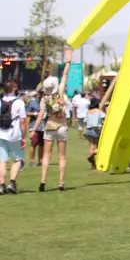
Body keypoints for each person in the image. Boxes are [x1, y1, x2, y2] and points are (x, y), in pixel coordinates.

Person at [33, 48, 75, 192]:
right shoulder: (60, 92)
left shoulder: (45, 98)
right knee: (61, 157)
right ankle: (61, 183)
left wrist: (34, 129)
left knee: (46, 156)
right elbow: (64, 74)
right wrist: (68, 60)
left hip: (49, 127)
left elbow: (40, 114)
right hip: (62, 126)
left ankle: (43, 180)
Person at [0, 80, 27, 194]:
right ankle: (12, 183)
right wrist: (24, 137)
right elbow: (23, 121)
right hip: (14, 133)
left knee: (2, 160)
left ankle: (1, 185)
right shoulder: (19, 102)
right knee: (18, 159)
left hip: (1, 133)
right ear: (14, 88)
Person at [83, 101, 106, 169]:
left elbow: (85, 122)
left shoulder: (88, 112)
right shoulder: (99, 111)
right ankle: (92, 155)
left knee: (92, 146)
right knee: (101, 146)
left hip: (88, 130)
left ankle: (93, 165)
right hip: (96, 130)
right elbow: (105, 119)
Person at [25, 89, 42, 167]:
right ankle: (31, 161)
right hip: (34, 125)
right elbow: (26, 112)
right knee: (34, 143)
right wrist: (35, 113)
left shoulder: (41, 102)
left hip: (42, 125)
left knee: (41, 144)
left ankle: (40, 161)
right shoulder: (32, 102)